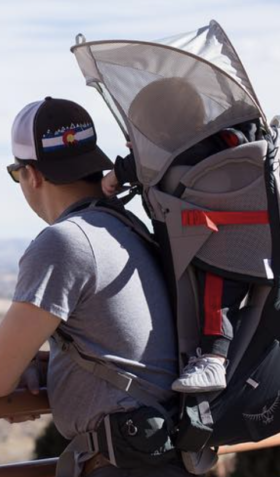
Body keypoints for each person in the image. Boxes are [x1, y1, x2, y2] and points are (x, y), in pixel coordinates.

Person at [0, 96, 188, 477]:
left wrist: (2, 364)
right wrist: (50, 363)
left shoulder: (64, 242)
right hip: (167, 455)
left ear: (32, 175)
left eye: (16, 173)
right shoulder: (130, 229)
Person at [100, 78, 257, 395]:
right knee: (214, 301)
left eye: (140, 132)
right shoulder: (220, 144)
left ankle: (213, 360)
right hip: (238, 243)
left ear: (162, 132)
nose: (134, 141)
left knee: (215, 303)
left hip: (220, 250)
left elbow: (146, 165)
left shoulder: (187, 153)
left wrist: (115, 175)